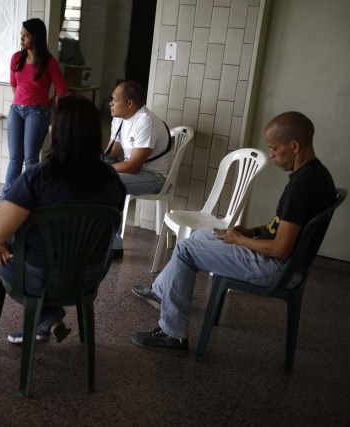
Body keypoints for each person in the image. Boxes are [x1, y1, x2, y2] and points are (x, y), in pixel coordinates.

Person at [130, 111, 336, 357]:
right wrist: (252, 231)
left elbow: (281, 249)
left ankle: (172, 335)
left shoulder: (301, 187)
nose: (271, 155)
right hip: (280, 261)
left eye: (273, 148)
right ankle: (160, 292)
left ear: (294, 146)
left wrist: (240, 240)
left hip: (277, 268)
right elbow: (284, 225)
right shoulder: (317, 174)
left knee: (185, 248)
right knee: (199, 237)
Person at [0, 95, 126, 344]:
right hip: (88, 277)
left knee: (2, 251)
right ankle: (48, 319)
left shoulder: (39, 177)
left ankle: (47, 317)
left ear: (57, 131)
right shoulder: (112, 181)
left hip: (38, 276)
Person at [1, 17, 67, 199]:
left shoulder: (49, 62)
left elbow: (62, 90)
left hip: (37, 112)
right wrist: (22, 100)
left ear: (36, 38)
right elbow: (14, 85)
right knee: (15, 159)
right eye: (21, 35)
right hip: (16, 110)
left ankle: (32, 201)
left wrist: (47, 104)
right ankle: (6, 201)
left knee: (30, 159)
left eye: (26, 36)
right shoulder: (16, 58)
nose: (21, 39)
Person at [106, 81, 173, 259]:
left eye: (114, 99)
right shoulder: (119, 119)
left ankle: (114, 246)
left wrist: (101, 170)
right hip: (134, 172)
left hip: (155, 177)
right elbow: (112, 154)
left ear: (129, 103)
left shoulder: (145, 121)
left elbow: (134, 166)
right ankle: (98, 237)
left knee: (111, 182)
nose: (110, 103)